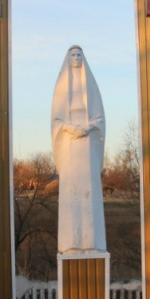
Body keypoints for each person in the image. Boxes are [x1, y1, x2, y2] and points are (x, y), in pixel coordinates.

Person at [51, 45, 106, 253]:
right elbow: (55, 120)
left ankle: (91, 242)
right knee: (71, 191)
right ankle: (71, 242)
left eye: (79, 55)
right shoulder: (62, 87)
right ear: (68, 59)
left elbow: (100, 118)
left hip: (87, 144)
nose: (76, 58)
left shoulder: (90, 87)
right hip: (69, 144)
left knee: (88, 191)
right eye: (72, 55)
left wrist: (88, 127)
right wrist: (69, 127)